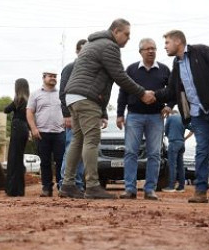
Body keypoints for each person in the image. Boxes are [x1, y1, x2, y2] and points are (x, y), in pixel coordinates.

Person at [60, 18, 156, 200]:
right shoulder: (109, 46)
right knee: (91, 140)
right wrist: (142, 93)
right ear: (116, 31)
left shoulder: (92, 43)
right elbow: (119, 76)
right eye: (126, 34)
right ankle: (93, 186)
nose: (128, 39)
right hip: (86, 97)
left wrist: (102, 111)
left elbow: (104, 81)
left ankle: (67, 184)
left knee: (77, 140)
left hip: (73, 96)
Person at [154, 29, 209, 203]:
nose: (164, 46)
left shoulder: (202, 51)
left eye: (167, 42)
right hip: (197, 114)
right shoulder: (177, 64)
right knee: (201, 151)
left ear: (178, 42)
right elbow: (173, 90)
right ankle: (201, 191)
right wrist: (156, 96)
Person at [117, 38, 170, 200]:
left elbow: (174, 89)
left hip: (156, 117)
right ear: (140, 52)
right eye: (147, 48)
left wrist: (170, 105)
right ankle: (130, 189)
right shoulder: (132, 69)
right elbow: (123, 92)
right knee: (131, 152)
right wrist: (119, 114)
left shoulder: (164, 70)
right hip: (134, 116)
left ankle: (150, 190)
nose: (151, 51)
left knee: (154, 154)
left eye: (153, 48)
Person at [27, 69, 66, 197]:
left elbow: (67, 110)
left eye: (55, 76)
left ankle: (62, 186)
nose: (53, 78)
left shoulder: (61, 93)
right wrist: (33, 128)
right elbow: (30, 112)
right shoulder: (35, 94)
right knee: (45, 162)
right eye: (50, 76)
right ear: (44, 77)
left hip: (59, 132)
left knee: (60, 160)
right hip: (42, 133)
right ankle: (46, 187)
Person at [60, 39, 88, 191]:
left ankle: (77, 184)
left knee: (83, 152)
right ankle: (65, 183)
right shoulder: (70, 68)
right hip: (72, 116)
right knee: (71, 149)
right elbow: (63, 92)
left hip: (87, 117)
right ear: (77, 51)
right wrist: (66, 115)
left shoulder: (92, 70)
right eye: (83, 50)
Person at [5, 78, 30, 197]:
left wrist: (13, 102)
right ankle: (19, 189)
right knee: (19, 159)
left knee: (14, 158)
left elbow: (6, 110)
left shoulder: (18, 100)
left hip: (17, 128)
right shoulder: (28, 101)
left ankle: (13, 189)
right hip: (24, 128)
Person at [162, 109, 192, 192]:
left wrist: (169, 136)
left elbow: (166, 131)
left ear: (172, 113)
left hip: (173, 142)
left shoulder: (170, 118)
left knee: (172, 165)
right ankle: (181, 187)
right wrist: (185, 138)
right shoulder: (183, 118)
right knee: (180, 166)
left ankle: (171, 186)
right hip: (182, 143)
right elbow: (193, 129)